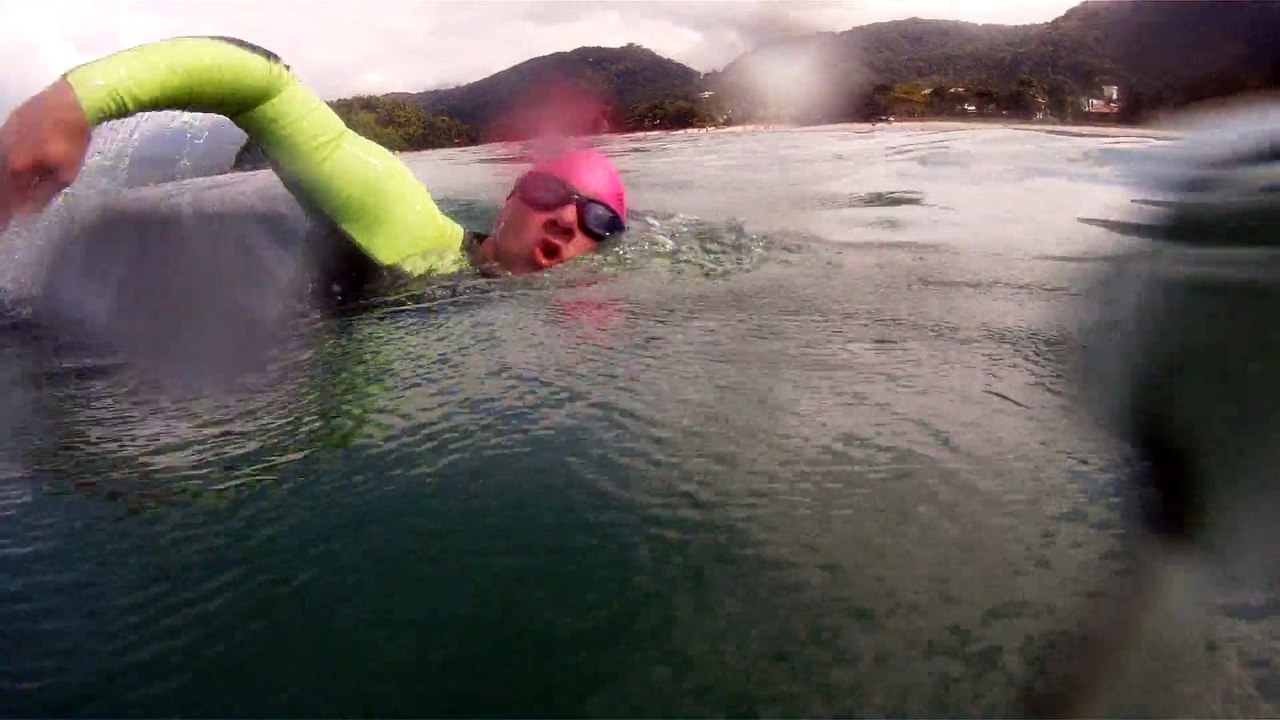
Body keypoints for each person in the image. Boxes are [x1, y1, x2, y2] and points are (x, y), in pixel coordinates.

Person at [0, 35, 629, 284]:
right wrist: (79, 100)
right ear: (512, 197)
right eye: (552, 192)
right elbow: (262, 86)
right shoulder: (401, 218)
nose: (568, 221)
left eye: (599, 221)